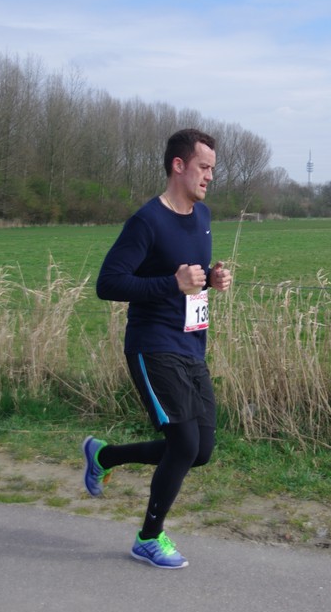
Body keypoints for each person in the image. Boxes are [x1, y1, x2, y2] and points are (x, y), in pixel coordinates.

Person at [83, 128, 232, 569]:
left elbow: (189, 278)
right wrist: (173, 283)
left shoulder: (202, 216)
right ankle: (149, 538)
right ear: (178, 165)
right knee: (183, 444)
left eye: (212, 169)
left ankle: (104, 455)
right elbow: (108, 284)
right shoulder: (147, 221)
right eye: (203, 167)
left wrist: (212, 279)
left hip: (191, 345)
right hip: (152, 345)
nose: (209, 176)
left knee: (200, 450)